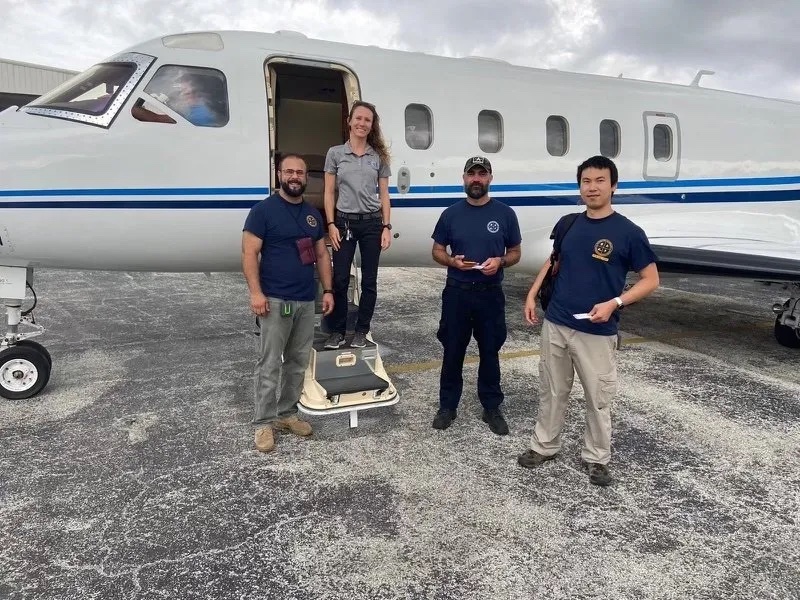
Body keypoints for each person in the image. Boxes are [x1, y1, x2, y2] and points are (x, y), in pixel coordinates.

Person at [517, 155, 660, 486]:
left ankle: (596, 458)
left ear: (613, 186)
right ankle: (544, 445)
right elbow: (552, 263)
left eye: (600, 181)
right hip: (557, 323)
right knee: (552, 390)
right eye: (586, 181)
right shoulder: (568, 223)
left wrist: (616, 302)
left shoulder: (628, 233)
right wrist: (531, 295)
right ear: (579, 186)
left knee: (598, 398)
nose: (592, 187)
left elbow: (651, 279)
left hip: (596, 331)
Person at [242, 154, 334, 453]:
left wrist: (328, 290)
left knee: (296, 363)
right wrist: (256, 293)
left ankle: (287, 414)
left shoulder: (311, 215)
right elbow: (249, 254)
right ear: (279, 175)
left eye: (300, 172)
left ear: (306, 177)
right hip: (274, 299)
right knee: (269, 364)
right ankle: (263, 424)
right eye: (289, 171)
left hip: (305, 301)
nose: (295, 176)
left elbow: (321, 255)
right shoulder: (262, 211)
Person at [430, 156, 522, 435]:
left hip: (490, 294)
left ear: (490, 178)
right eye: (472, 174)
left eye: (482, 174)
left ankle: (491, 407)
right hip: (457, 292)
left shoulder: (505, 214)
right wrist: (452, 262)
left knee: (490, 352)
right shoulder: (450, 214)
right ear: (464, 178)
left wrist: (501, 262)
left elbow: (516, 252)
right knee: (453, 351)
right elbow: (437, 251)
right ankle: (448, 406)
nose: (477, 179)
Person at [323, 101, 392, 350]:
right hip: (343, 223)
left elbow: (384, 195)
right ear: (349, 121)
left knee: (369, 281)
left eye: (368, 120)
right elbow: (329, 192)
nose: (362, 123)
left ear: (372, 126)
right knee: (340, 279)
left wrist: (386, 226)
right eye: (359, 118)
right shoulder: (335, 154)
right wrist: (330, 223)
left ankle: (362, 329)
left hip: (372, 223)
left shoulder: (378, 157)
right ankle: (337, 331)